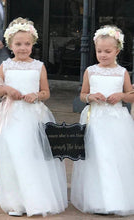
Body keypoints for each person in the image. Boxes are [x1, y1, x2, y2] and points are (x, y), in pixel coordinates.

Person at [0, 17, 68, 217]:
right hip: (11, 116)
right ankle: (16, 202)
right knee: (13, 155)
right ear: (10, 45)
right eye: (18, 44)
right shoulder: (5, 66)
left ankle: (36, 199)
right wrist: (7, 90)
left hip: (33, 116)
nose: (23, 48)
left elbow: (46, 92)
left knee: (31, 155)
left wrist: (36, 95)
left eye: (27, 44)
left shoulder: (38, 66)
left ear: (33, 45)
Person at [71, 25, 134, 216]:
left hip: (116, 121)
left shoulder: (122, 72)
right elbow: (82, 94)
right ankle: (97, 199)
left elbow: (131, 96)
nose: (103, 55)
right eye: (99, 51)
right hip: (96, 120)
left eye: (107, 51)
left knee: (115, 157)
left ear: (117, 50)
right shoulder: (90, 71)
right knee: (97, 157)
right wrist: (90, 97)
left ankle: (116, 198)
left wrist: (122, 95)